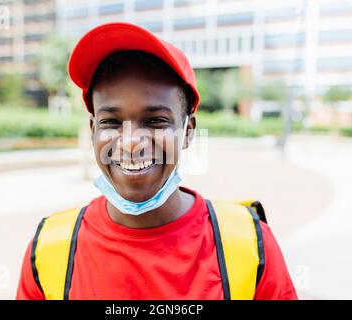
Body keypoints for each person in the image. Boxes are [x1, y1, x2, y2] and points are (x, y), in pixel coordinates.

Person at [16, 22, 297, 300]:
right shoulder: (51, 250)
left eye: (155, 121)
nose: (130, 142)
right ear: (93, 131)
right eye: (111, 122)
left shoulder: (248, 246)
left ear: (187, 131)